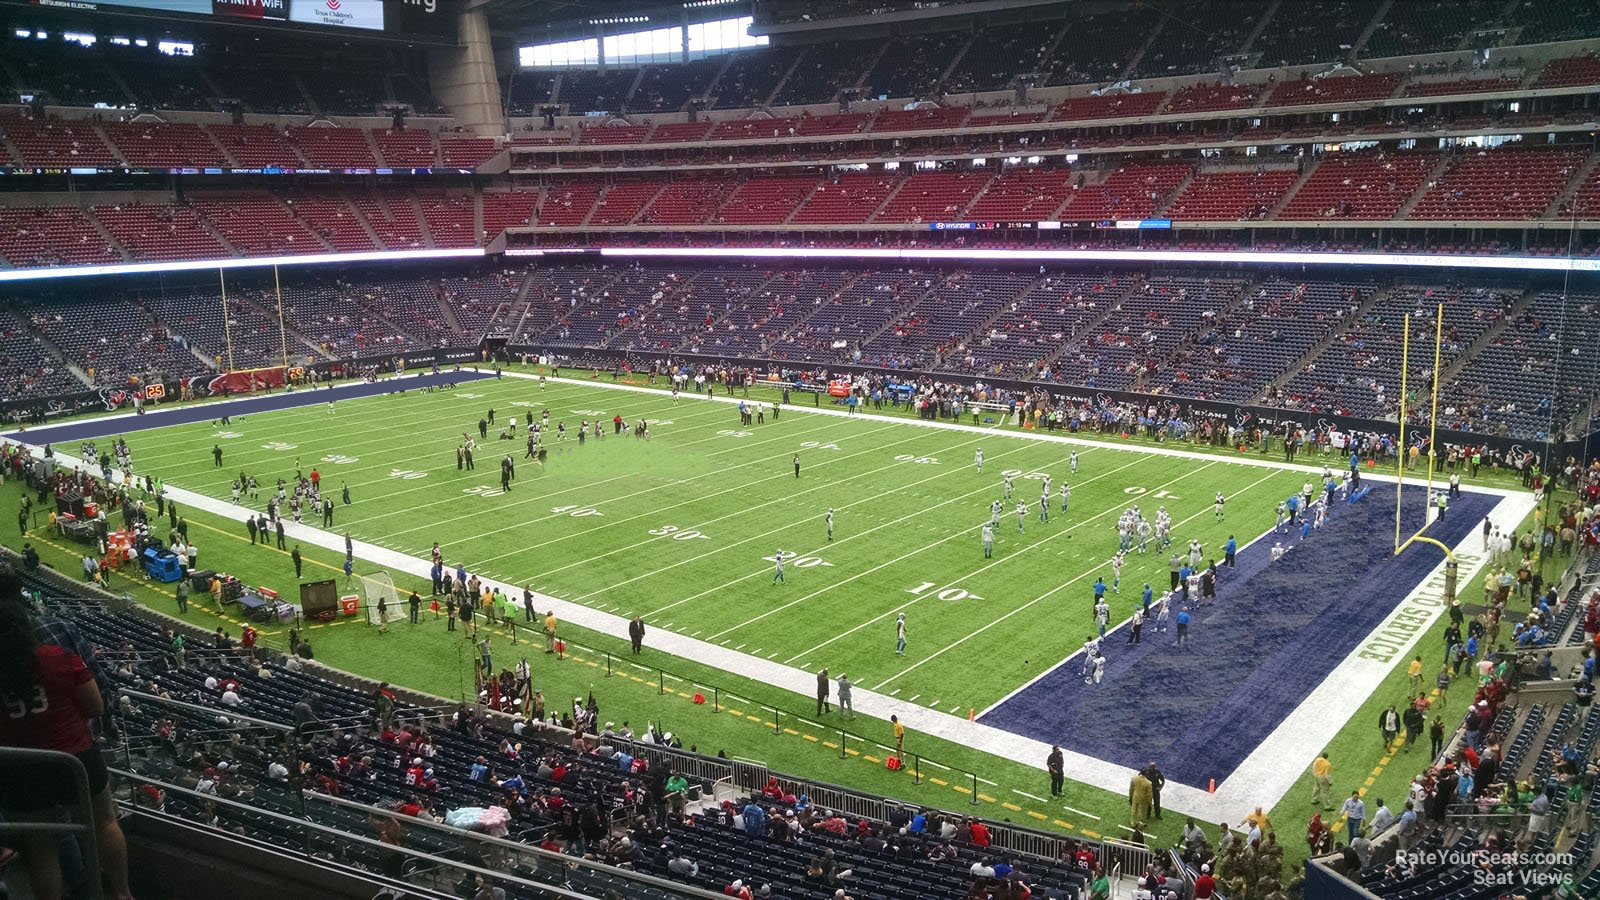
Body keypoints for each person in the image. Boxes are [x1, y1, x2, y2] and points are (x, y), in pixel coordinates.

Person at [0, 596, 135, 900]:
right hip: (74, 758)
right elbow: (95, 705)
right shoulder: (56, 656)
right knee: (105, 822)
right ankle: (122, 894)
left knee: (41, 848)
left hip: (20, 768)